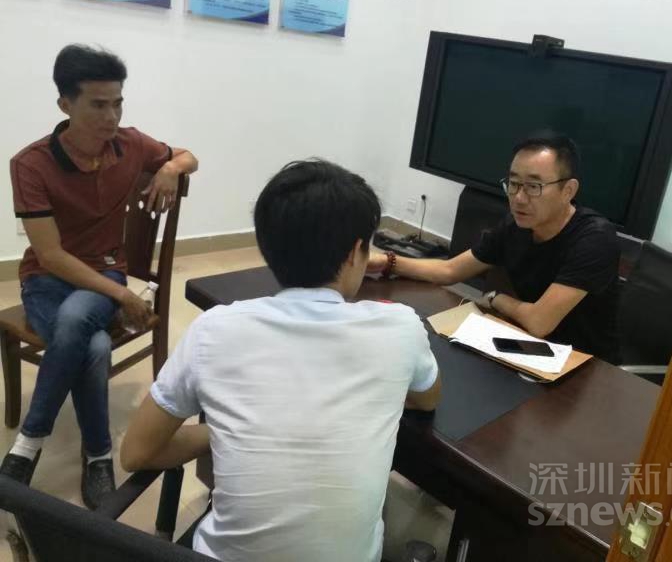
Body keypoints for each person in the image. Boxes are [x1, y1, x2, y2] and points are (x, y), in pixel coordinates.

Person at [121, 159, 441, 562]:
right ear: (355, 253)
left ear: (267, 246)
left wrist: (222, 430)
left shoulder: (215, 330)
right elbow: (427, 399)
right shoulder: (400, 327)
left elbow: (136, 453)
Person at [2, 44, 199, 508]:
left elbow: (189, 156)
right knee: (92, 345)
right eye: (98, 105)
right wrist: (122, 295)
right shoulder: (30, 164)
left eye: (118, 103)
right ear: (65, 104)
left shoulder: (131, 144)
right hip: (47, 280)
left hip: (106, 269)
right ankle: (99, 455)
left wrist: (171, 168)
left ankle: (27, 444)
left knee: (76, 322)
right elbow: (50, 256)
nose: (111, 117)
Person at [370, 131, 620, 361]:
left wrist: (496, 299)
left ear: (568, 190)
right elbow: (450, 270)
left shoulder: (595, 239)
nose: (519, 198)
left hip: (585, 367)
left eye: (534, 186)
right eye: (514, 183)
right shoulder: (517, 225)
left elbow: (539, 322)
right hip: (526, 347)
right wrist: (386, 262)